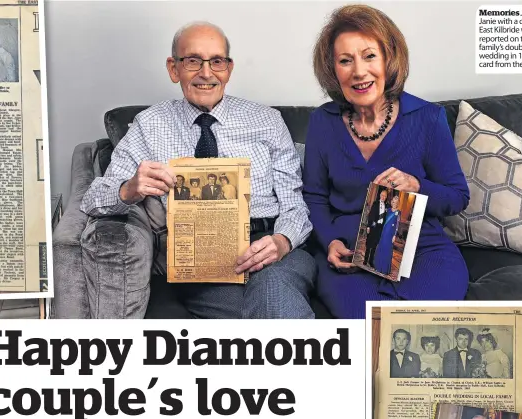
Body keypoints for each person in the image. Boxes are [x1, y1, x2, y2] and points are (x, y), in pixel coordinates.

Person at [81, 21, 315, 319]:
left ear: (228, 68)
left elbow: (295, 205)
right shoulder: (149, 125)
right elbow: (92, 200)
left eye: (216, 61)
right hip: (200, 259)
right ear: (173, 68)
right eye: (193, 61)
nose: (206, 73)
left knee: (273, 284)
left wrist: (282, 242)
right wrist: (129, 188)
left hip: (273, 244)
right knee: (273, 306)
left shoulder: (267, 121)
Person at [303, 5, 469, 318]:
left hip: (423, 251)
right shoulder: (322, 123)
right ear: (332, 70)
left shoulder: (428, 119)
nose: (359, 71)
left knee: (421, 330)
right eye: (345, 61)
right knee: (372, 333)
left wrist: (417, 186)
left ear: (389, 59)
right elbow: (314, 196)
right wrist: (330, 243)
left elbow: (458, 196)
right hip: (350, 257)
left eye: (369, 56)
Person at [372, 193, 400, 275]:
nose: (394, 203)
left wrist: (394, 235)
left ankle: (384, 269)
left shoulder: (398, 212)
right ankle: (378, 266)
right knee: (381, 247)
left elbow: (397, 225)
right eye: (393, 201)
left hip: (390, 234)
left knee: (387, 250)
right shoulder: (388, 210)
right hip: (384, 232)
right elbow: (380, 217)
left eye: (395, 202)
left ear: (398, 203)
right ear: (391, 202)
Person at [364, 188, 387, 264]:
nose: (383, 197)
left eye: (385, 196)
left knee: (374, 245)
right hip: (373, 225)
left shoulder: (386, 206)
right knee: (369, 243)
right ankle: (365, 260)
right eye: (382, 195)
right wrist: (368, 226)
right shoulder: (375, 203)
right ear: (380, 195)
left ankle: (371, 261)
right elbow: (371, 215)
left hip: (380, 228)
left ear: (386, 197)